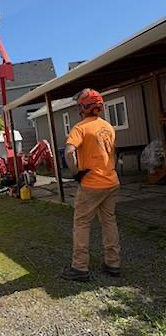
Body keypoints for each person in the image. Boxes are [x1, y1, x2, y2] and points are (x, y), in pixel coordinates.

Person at [61, 88, 121, 282]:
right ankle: (113, 264)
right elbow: (113, 153)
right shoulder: (108, 127)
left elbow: (69, 152)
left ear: (84, 107)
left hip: (91, 184)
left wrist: (76, 173)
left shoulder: (80, 128)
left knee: (81, 223)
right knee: (109, 222)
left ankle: (80, 267)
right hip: (111, 182)